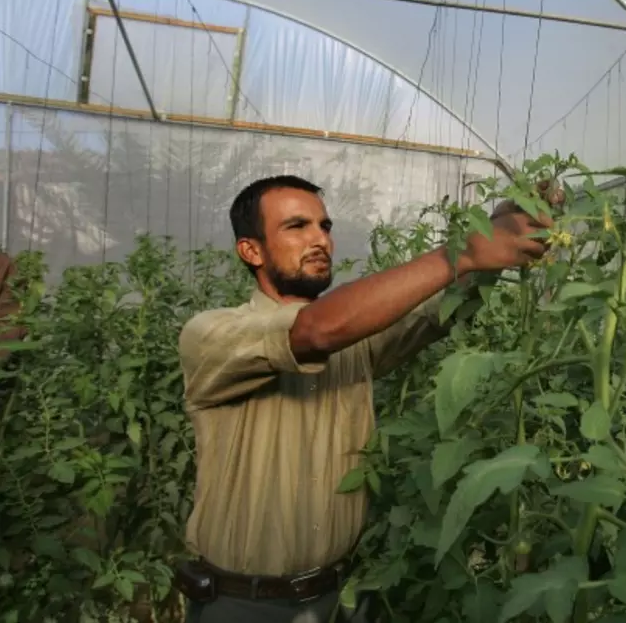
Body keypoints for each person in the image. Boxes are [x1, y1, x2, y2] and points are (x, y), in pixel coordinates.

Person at [175, 174, 558, 623]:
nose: (320, 239)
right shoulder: (211, 335)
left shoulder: (355, 341)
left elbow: (438, 306)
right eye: (297, 227)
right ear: (251, 250)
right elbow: (317, 329)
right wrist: (466, 250)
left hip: (344, 597)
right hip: (244, 605)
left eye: (325, 226)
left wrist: (504, 228)